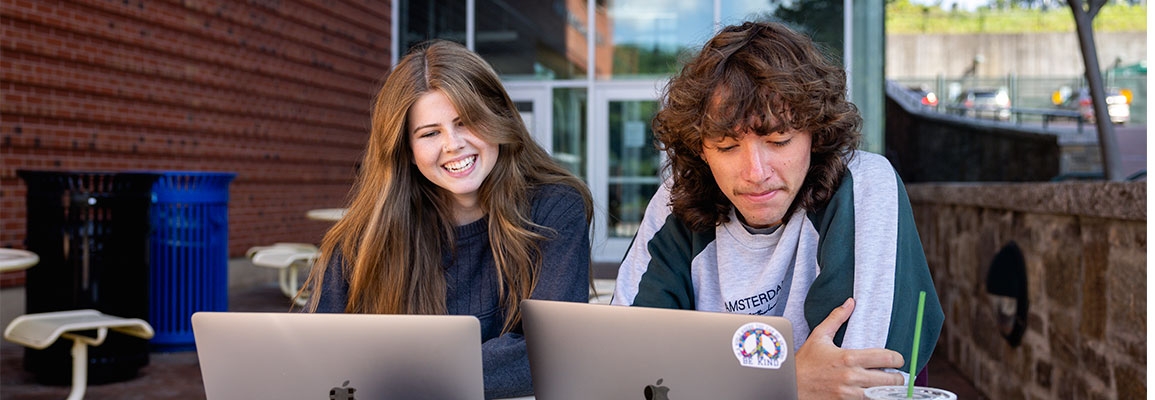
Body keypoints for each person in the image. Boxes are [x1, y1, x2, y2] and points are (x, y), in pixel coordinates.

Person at [610, 21, 944, 399]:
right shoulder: (677, 198)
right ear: (700, 148)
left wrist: (702, 377)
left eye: (779, 140)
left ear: (815, 134)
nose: (756, 173)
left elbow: (861, 383)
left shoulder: (864, 183)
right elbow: (629, 371)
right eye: (726, 147)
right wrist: (788, 381)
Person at [300, 40, 593, 399]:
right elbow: (318, 356)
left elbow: (553, 349)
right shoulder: (364, 235)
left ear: (497, 118)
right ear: (406, 150)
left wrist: (402, 373)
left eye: (466, 122)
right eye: (430, 133)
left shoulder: (554, 208)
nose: (453, 144)